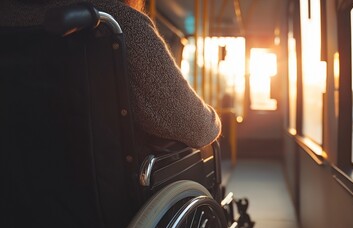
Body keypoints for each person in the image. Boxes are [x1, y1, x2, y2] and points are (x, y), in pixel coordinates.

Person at [0, 0, 221, 148]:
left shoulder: (8, 18)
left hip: (15, 199)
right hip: (98, 199)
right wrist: (215, 119)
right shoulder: (119, 23)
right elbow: (198, 128)